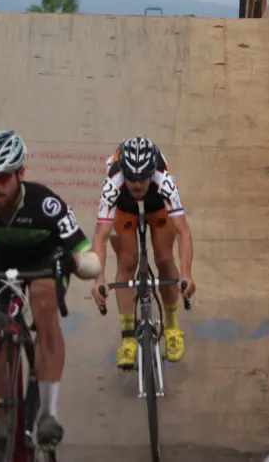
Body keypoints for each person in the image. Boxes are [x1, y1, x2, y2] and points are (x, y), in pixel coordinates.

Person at [0, 129, 100, 460]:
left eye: (2, 176)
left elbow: (91, 259)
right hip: (1, 260)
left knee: (44, 306)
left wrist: (70, 261)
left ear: (21, 172)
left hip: (46, 258)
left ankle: (47, 415)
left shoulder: (47, 204)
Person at [90, 136, 195, 369]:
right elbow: (100, 236)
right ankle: (127, 338)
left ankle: (172, 328)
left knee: (165, 257)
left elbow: (183, 232)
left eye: (142, 180)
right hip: (123, 204)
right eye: (131, 180)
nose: (137, 186)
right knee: (127, 263)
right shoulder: (113, 185)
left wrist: (186, 274)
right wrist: (99, 278)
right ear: (123, 175)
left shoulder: (164, 181)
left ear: (152, 174)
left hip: (157, 201)